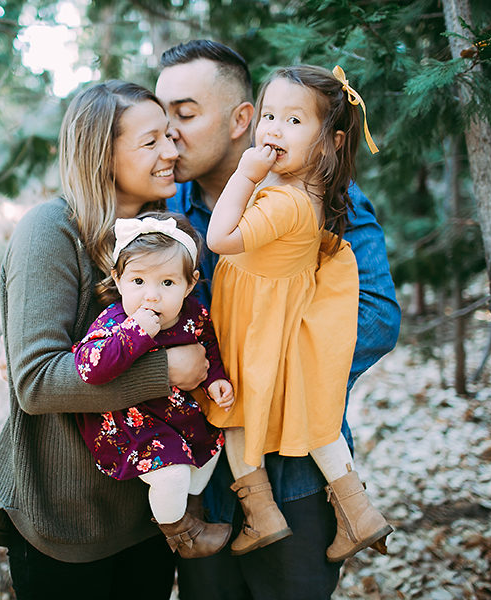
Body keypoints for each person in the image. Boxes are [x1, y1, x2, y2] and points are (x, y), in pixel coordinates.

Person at [155, 40, 401, 599]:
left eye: (184, 114)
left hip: (296, 474)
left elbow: (377, 316)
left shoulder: (325, 196)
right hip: (203, 481)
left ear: (242, 119)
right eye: (161, 113)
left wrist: (273, 377)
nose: (169, 131)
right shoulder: (169, 208)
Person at [0, 80, 212, 600]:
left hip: (147, 514)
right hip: (66, 522)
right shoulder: (50, 231)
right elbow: (36, 382)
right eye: (151, 141)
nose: (171, 151)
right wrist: (167, 371)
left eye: (169, 136)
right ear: (102, 153)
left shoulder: (164, 235)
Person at [205, 64, 393, 560]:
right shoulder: (310, 193)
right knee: (316, 417)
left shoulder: (284, 201)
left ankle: (262, 514)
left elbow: (219, 238)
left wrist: (245, 174)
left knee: (232, 415)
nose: (273, 129)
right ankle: (357, 511)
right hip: (269, 318)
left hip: (252, 327)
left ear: (330, 142)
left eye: (293, 121)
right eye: (268, 116)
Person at [73, 212, 235, 559]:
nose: (151, 296)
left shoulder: (193, 313)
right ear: (118, 279)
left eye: (167, 283)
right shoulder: (115, 321)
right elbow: (90, 368)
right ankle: (182, 534)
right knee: (171, 474)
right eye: (138, 281)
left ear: (189, 284)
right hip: (131, 424)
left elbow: (207, 344)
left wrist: (215, 378)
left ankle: (186, 505)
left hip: (175, 414)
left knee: (212, 446)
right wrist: (136, 333)